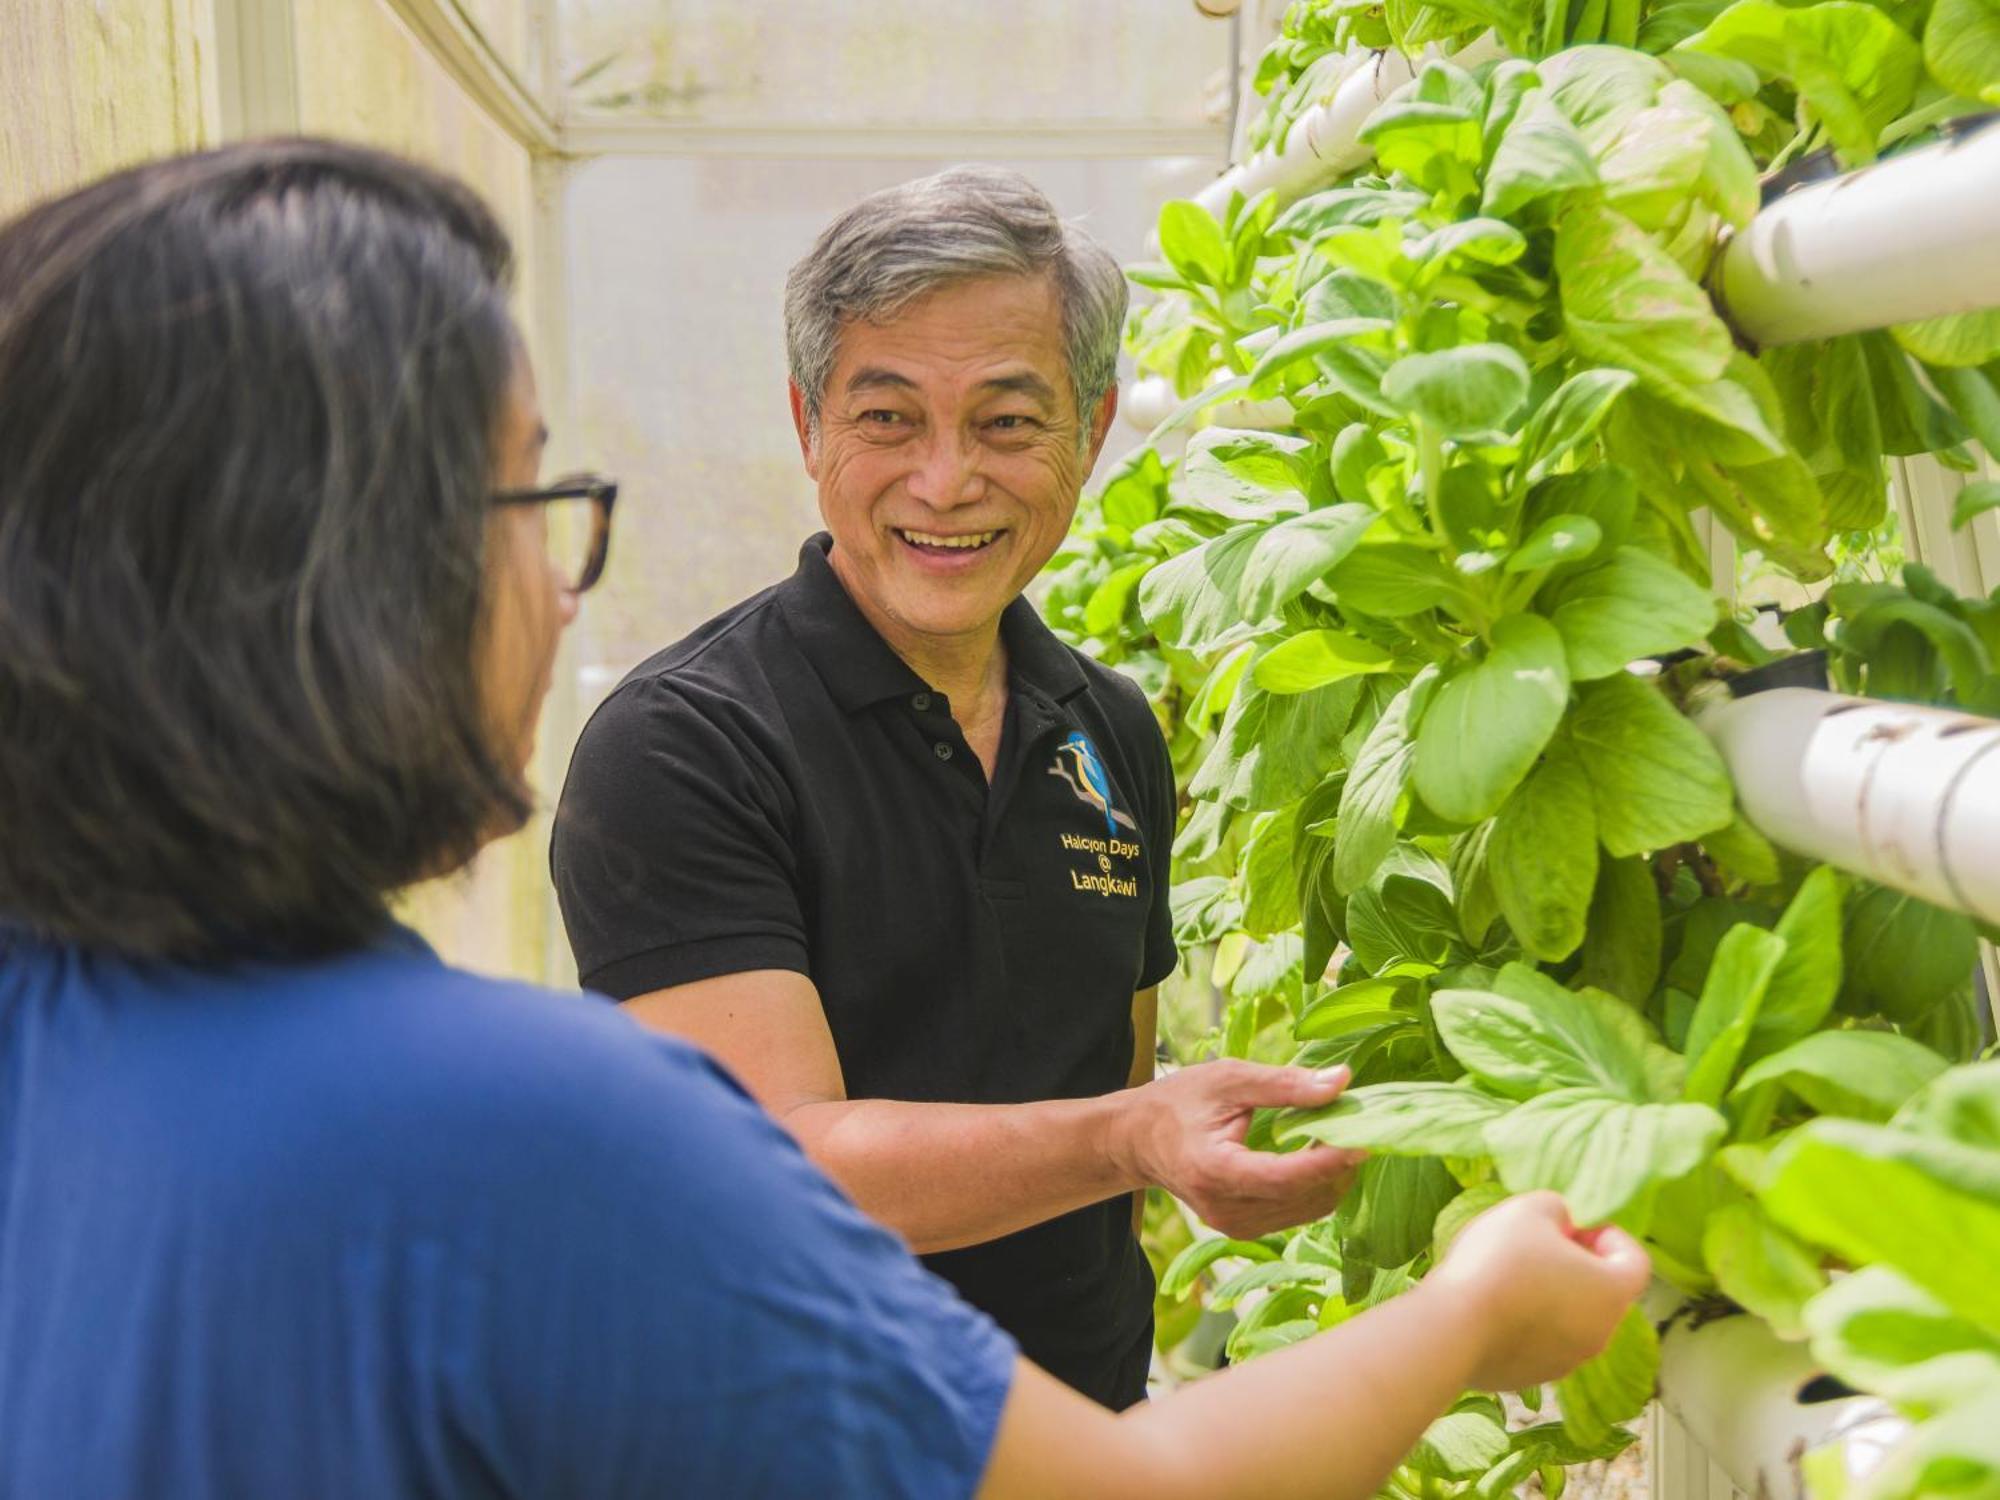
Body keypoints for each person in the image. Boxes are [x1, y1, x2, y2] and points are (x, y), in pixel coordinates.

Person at [0, 140, 1650, 1500]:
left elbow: (1114, 1054)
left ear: (1084, 436)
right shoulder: (544, 1106)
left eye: (1008, 420)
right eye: (526, 497)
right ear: (334, 582)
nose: (561, 590)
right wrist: (1471, 1312)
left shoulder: (53, 1013)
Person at [550, 166, 1362, 1408]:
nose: (944, 482)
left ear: (1089, 434)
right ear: (806, 423)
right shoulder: (683, 744)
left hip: (1088, 1437)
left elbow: (1105, 1096)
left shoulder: (1109, 730)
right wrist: (1136, 1134)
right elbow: (779, 1176)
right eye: (886, 419)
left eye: (1005, 421)